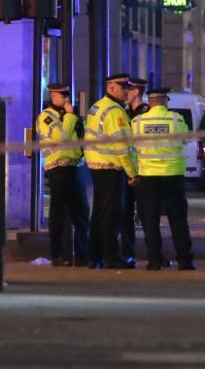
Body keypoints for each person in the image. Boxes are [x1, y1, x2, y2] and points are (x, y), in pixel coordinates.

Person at [131, 88, 195, 270]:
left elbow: (133, 145)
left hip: (148, 177)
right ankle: (184, 260)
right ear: (165, 100)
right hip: (172, 175)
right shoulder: (176, 119)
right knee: (178, 218)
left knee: (150, 219)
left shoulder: (137, 121)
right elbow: (184, 140)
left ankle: (154, 259)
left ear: (150, 102)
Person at [84, 73, 137, 269]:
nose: (127, 92)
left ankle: (95, 256)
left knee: (98, 214)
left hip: (96, 166)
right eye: (124, 88)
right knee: (110, 215)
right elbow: (122, 147)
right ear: (112, 86)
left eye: (128, 88)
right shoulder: (115, 112)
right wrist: (133, 173)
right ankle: (111, 257)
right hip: (110, 167)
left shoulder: (97, 107)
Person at [35, 83, 90, 266]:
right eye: (62, 95)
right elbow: (62, 137)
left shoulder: (68, 116)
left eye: (67, 95)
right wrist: (70, 116)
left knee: (81, 213)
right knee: (58, 215)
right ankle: (57, 255)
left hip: (74, 167)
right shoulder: (46, 117)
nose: (66, 99)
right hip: (57, 169)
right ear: (53, 96)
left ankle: (82, 254)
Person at [117, 76, 150, 269]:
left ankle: (154, 252)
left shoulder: (145, 113)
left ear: (136, 91)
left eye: (128, 90)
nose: (125, 94)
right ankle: (127, 254)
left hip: (143, 170)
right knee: (126, 214)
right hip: (129, 171)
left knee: (147, 214)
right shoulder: (124, 112)